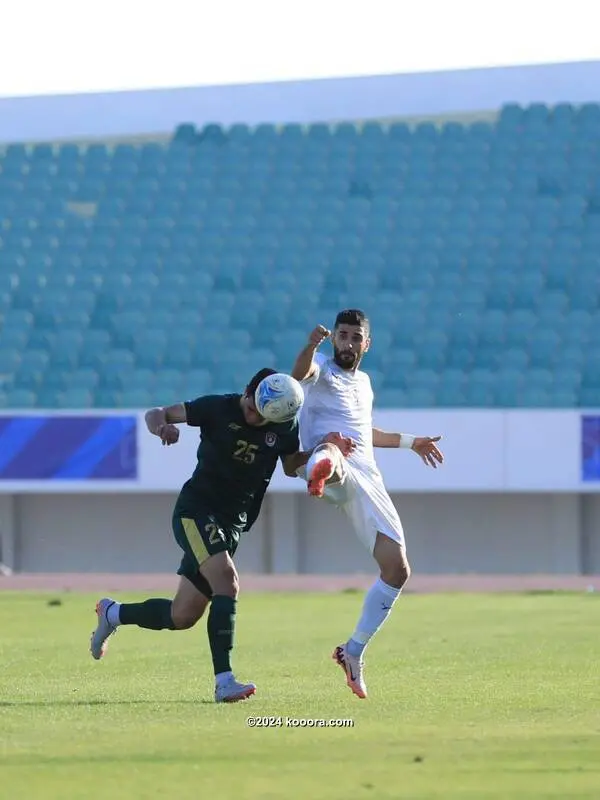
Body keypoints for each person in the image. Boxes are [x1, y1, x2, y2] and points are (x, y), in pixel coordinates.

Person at [90, 367, 352, 703]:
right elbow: (156, 413)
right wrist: (163, 427)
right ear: (247, 392)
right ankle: (224, 681)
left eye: (261, 415)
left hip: (232, 524)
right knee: (227, 582)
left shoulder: (284, 423)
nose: (252, 416)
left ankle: (112, 613)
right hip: (196, 511)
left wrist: (329, 449)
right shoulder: (218, 407)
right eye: (250, 407)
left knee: (182, 615)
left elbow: (290, 465)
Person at [291, 309, 444, 699]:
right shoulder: (322, 367)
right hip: (335, 462)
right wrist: (311, 344)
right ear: (335, 338)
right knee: (332, 447)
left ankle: (352, 651)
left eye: (355, 337)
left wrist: (412, 443)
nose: (347, 342)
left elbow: (365, 431)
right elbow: (297, 378)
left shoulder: (365, 383)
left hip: (368, 478)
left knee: (397, 568)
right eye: (342, 335)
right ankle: (321, 465)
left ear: (366, 343)